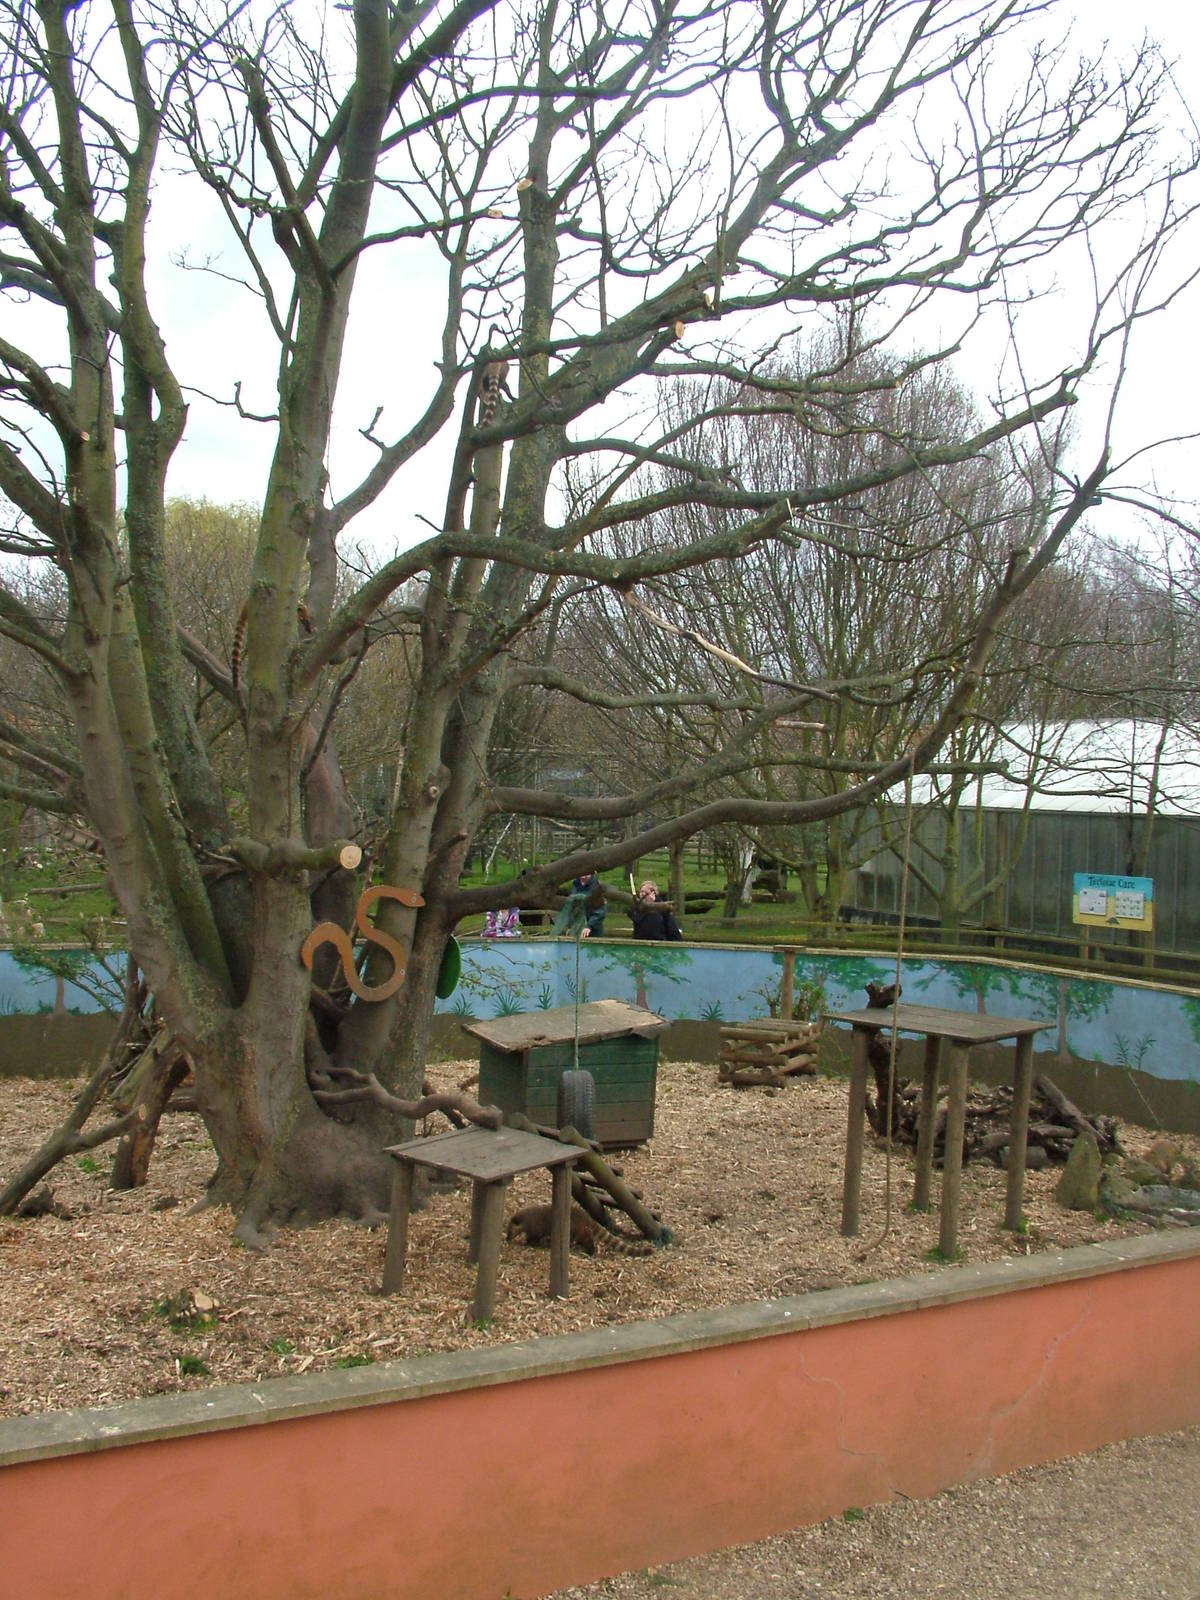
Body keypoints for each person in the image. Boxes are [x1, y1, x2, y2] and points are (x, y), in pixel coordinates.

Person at [571, 869, 607, 939]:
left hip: (593, 930)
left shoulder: (597, 886)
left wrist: (589, 926)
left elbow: (601, 910)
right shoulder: (575, 884)